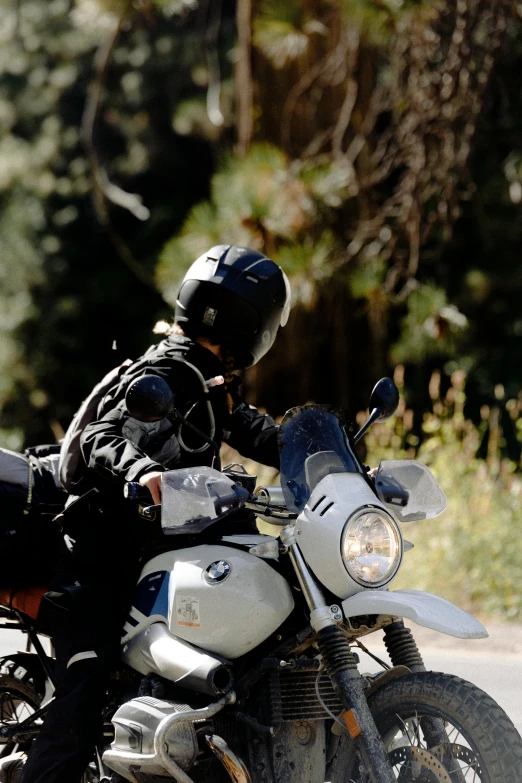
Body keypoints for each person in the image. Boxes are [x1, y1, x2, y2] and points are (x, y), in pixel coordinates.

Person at [17, 244, 291, 783]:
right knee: (84, 692)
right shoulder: (167, 368)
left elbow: (257, 433)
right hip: (101, 550)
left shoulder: (209, 381)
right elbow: (100, 435)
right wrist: (141, 471)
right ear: (252, 324)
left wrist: (335, 459)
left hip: (156, 548)